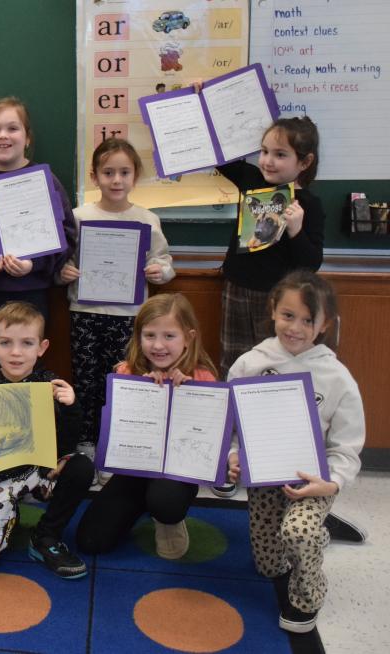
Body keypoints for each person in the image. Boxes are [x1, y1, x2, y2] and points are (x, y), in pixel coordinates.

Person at [226, 270, 363, 633]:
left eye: (308, 320)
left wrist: (329, 484)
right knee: (269, 566)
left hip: (313, 479)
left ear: (324, 324)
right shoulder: (249, 364)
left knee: (298, 533)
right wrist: (233, 456)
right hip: (266, 477)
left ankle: (309, 595)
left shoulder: (337, 378)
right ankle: (318, 533)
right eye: (288, 315)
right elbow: (231, 425)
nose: (296, 328)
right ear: (273, 310)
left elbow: (347, 447)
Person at [209, 115, 323, 498]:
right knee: (232, 366)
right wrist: (201, 101)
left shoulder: (308, 204)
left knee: (271, 375)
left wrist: (297, 229)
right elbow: (219, 155)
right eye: (264, 151)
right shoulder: (251, 182)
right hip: (236, 289)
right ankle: (228, 455)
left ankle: (268, 456)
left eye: (280, 154)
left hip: (278, 304)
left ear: (303, 162)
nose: (268, 161)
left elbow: (311, 263)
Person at [0, 301, 94, 579]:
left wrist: (71, 409)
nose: (16, 352)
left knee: (80, 466)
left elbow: (65, 448)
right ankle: (6, 514)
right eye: (6, 343)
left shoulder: (49, 386)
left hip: (36, 473)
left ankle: (46, 536)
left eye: (27, 343)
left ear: (41, 348)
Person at [59, 138, 174, 477]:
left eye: (124, 172)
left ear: (135, 176)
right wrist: (64, 272)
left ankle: (117, 446)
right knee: (87, 381)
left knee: (122, 380)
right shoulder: (79, 217)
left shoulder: (147, 220)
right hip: (85, 312)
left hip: (130, 317)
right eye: (108, 172)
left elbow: (165, 263)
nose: (116, 180)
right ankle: (87, 446)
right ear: (94, 176)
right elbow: (63, 263)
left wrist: (160, 271)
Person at [75, 293, 218, 560]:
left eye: (169, 336)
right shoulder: (127, 372)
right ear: (139, 336)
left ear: (188, 337)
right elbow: (120, 429)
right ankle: (144, 503)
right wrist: (143, 391)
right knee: (91, 540)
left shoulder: (202, 377)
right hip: (137, 470)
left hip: (175, 473)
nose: (158, 345)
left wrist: (188, 392)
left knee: (165, 502)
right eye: (150, 335)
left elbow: (206, 438)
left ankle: (167, 519)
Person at [0, 97, 77, 371]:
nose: (3, 135)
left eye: (13, 128)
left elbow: (67, 235)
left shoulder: (45, 181)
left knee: (28, 369)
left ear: (27, 138)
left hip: (32, 292)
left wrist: (33, 265)